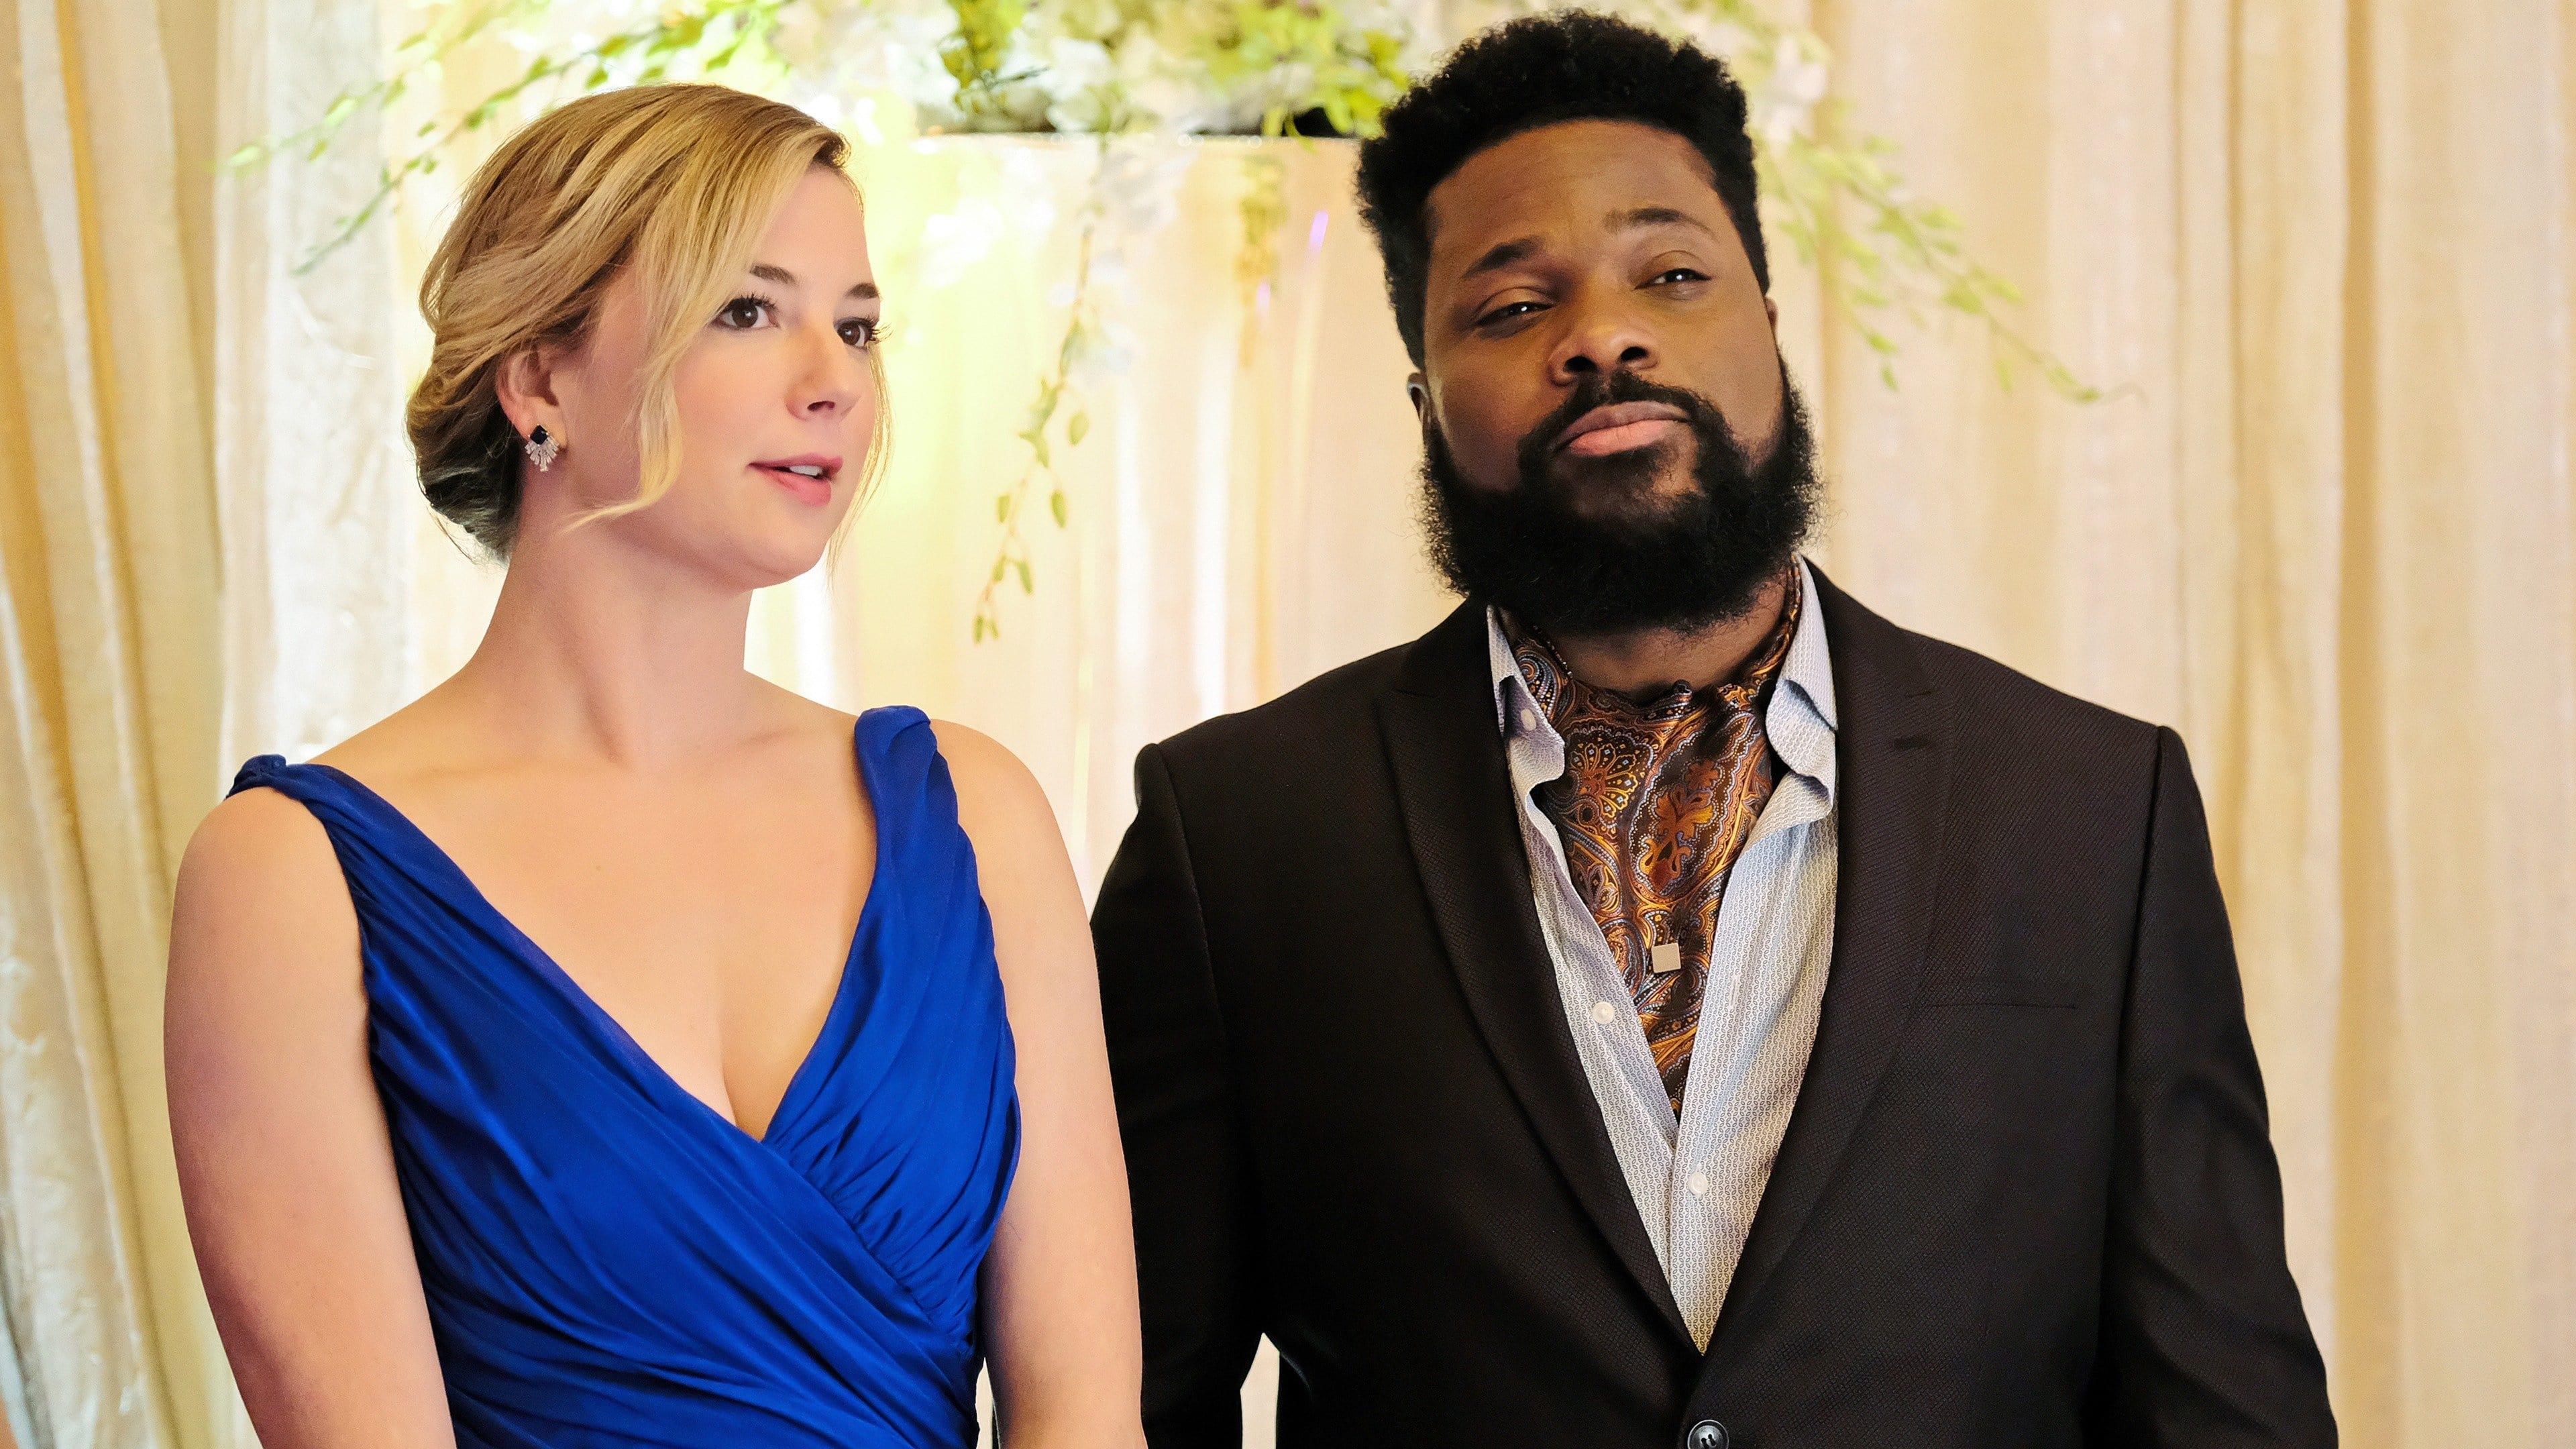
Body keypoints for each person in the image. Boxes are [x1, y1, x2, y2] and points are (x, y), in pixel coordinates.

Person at [1091, 14, 2336, 1448]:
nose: (1601, 337)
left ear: (1772, 325)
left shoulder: (2088, 810)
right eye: (1511, 307)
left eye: (1672, 276)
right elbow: (1125, 1404)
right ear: (1426, 404)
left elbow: (2222, 1403)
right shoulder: (1236, 838)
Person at [166, 85, 1143, 1449]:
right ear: (538, 381)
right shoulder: (293, 879)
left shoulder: (974, 818)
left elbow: (1087, 1421)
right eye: (747, 310)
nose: (834, 378)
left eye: (859, 325)